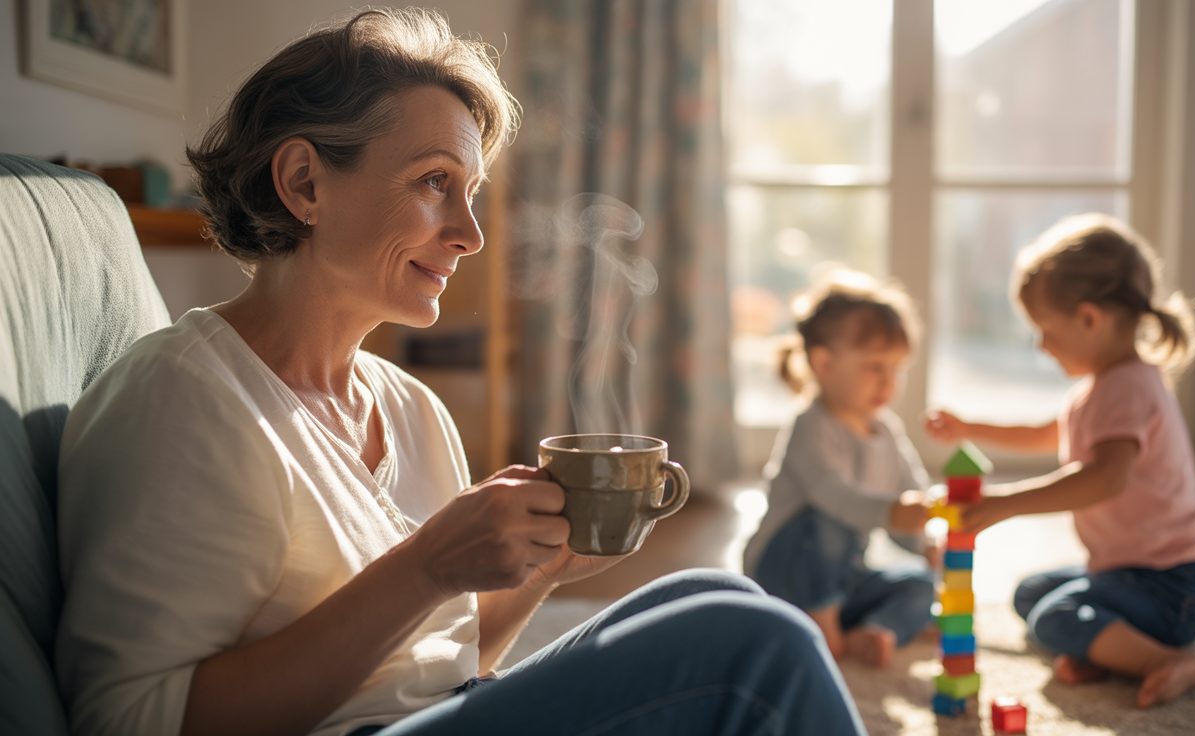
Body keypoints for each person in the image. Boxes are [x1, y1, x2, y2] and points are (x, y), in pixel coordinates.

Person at [54, 9, 868, 736]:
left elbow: (435, 664)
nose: (471, 233)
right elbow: (128, 719)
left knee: (716, 601)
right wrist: (426, 567)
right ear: (304, 183)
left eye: (471, 192)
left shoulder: (408, 408)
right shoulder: (181, 399)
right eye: (435, 183)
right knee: (754, 650)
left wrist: (543, 570)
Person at [925, 213, 1195, 708]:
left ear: (1090, 318)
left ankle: (1164, 660)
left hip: (1176, 586)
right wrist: (969, 428)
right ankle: (1112, 650)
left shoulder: (1127, 387)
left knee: (1054, 617)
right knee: (1031, 593)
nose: (1041, 345)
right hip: (1134, 571)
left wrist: (1005, 505)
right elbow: (1048, 434)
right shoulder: (1102, 387)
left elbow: (1104, 479)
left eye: (1045, 330)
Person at [743, 271, 934, 668]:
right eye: (875, 367)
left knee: (919, 585)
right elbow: (835, 495)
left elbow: (913, 490)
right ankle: (822, 624)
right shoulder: (810, 425)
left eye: (896, 369)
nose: (889, 382)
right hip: (783, 573)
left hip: (843, 578)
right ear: (824, 363)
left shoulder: (887, 431)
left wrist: (926, 540)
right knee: (831, 517)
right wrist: (890, 512)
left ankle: (877, 630)